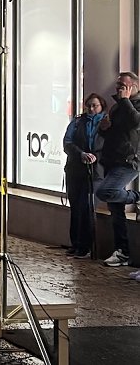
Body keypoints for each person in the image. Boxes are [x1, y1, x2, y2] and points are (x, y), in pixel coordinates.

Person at [95, 72, 140, 267]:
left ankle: (137, 196)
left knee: (106, 191)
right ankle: (122, 251)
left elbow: (136, 122)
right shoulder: (116, 107)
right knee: (116, 211)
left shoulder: (132, 105)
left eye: (123, 85)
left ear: (134, 86)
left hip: (129, 161)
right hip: (111, 160)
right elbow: (108, 133)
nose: (118, 89)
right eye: (117, 85)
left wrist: (125, 101)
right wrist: (104, 128)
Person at [62, 93, 106, 259]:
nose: (92, 109)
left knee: (86, 206)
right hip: (75, 169)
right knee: (75, 207)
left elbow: (108, 146)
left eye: (95, 105)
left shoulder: (105, 124)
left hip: (96, 172)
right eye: (89, 105)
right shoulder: (78, 121)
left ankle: (85, 246)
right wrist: (80, 154)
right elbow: (67, 142)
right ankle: (76, 243)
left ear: (101, 106)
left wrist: (95, 156)